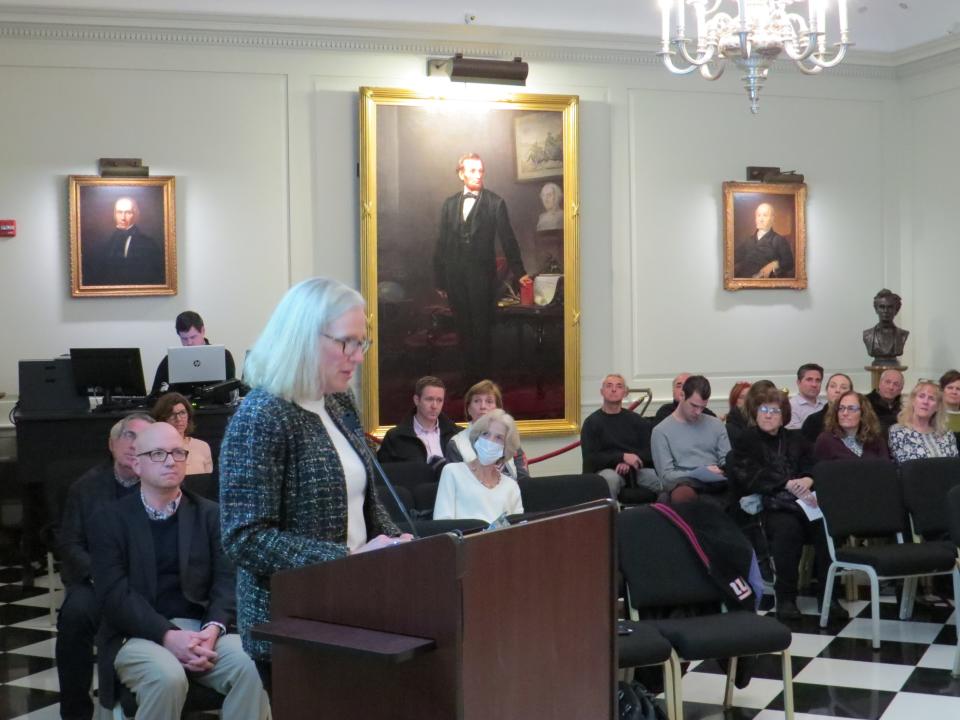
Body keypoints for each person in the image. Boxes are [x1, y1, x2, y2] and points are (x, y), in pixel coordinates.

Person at [219, 277, 410, 675]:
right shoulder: (261, 416)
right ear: (303, 338)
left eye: (362, 342)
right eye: (346, 342)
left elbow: (363, 501)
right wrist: (347, 560)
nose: (357, 356)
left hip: (358, 607)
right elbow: (244, 538)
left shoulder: (339, 400)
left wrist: (398, 545)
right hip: (294, 624)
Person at [89, 422, 271, 719]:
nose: (171, 460)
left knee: (253, 663)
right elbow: (115, 596)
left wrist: (212, 631)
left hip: (202, 631)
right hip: (138, 633)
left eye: (177, 452)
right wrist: (168, 635)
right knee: (167, 677)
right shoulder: (109, 520)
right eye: (158, 453)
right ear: (137, 463)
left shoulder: (210, 514)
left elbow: (228, 582)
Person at [55, 413, 154, 720]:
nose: (135, 446)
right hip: (96, 581)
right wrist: (102, 575)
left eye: (144, 439)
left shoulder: (160, 483)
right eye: (129, 436)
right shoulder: (85, 488)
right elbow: (69, 543)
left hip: (148, 582)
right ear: (112, 444)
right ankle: (75, 712)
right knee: (74, 616)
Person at [725, 384, 845, 622]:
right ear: (755, 413)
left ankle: (829, 595)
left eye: (774, 411)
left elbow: (813, 465)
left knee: (828, 528)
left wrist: (808, 479)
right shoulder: (746, 439)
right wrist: (786, 483)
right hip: (767, 504)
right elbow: (748, 475)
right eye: (763, 410)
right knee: (787, 529)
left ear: (783, 416)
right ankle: (786, 596)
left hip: (802, 502)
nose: (768, 415)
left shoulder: (795, 438)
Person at [433, 153, 532, 382]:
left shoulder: (495, 203)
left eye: (480, 170)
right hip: (454, 277)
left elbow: (508, 239)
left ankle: (484, 385)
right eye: (472, 171)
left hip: (482, 278)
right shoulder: (449, 204)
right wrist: (439, 279)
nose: (478, 175)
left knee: (481, 331)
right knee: (464, 331)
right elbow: (441, 242)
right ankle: (468, 382)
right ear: (461, 174)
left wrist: (520, 273)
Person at [580, 373, 665, 500]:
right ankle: (610, 519)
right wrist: (622, 457)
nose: (613, 389)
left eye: (619, 386)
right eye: (609, 386)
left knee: (663, 481)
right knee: (610, 480)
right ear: (602, 391)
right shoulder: (591, 422)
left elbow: (650, 452)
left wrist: (632, 462)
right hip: (606, 471)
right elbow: (590, 458)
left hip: (636, 470)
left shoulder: (637, 421)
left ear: (625, 392)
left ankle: (662, 517)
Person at [650, 375, 731, 504]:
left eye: (702, 407)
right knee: (682, 493)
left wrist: (724, 469)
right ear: (682, 396)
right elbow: (666, 478)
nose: (698, 412)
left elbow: (727, 461)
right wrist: (697, 473)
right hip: (685, 484)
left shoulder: (716, 424)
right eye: (694, 406)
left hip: (717, 483)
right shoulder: (661, 431)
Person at [433, 409, 524, 522]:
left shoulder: (511, 486)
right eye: (485, 434)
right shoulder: (452, 472)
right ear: (477, 437)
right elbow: (442, 522)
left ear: (506, 447)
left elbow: (519, 528)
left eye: (498, 438)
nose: (490, 441)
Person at [444, 379, 530, 480]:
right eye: (477, 401)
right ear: (468, 409)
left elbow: (524, 481)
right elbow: (458, 484)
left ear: (498, 408)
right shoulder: (456, 444)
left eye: (489, 401)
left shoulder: (509, 438)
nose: (483, 407)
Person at [377, 376, 460, 469]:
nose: (434, 406)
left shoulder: (457, 435)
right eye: (429, 399)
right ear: (416, 400)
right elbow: (386, 476)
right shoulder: (395, 437)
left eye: (439, 400)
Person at [149, 310, 237, 397]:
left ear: (202, 331)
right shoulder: (170, 360)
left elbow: (231, 390)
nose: (189, 342)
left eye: (193, 337)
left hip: (217, 408)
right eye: (184, 338)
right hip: (182, 409)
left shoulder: (223, 356)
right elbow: (155, 394)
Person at [83, 196, 165, 286]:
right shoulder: (105, 241)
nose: (123, 217)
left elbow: (153, 276)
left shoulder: (148, 243)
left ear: (136, 214)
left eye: (128, 212)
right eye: (119, 212)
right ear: (114, 214)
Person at [888, 380, 959, 462]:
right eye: (921, 396)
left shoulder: (946, 434)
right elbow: (904, 467)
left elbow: (954, 466)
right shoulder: (898, 431)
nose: (925, 402)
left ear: (938, 407)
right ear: (913, 401)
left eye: (931, 398)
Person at [813, 391, 890, 461]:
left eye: (851, 408)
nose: (845, 413)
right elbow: (819, 471)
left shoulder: (876, 439)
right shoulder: (825, 440)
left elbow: (885, 470)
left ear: (863, 413)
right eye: (841, 408)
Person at [151, 392, 213, 475]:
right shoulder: (154, 449)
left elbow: (209, 483)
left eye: (182, 413)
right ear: (162, 418)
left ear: (188, 415)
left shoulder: (202, 446)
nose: (178, 419)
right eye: (172, 414)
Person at [733, 202, 795, 279]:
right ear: (755, 219)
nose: (761, 219)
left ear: (772, 218)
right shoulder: (749, 240)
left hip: (764, 283)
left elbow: (789, 263)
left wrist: (775, 264)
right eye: (758, 215)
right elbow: (733, 257)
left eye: (765, 215)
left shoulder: (778, 240)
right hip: (743, 281)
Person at [801, 373, 853, 442]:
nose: (837, 390)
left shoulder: (858, 418)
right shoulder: (813, 421)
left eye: (843, 387)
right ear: (826, 390)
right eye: (833, 386)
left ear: (851, 393)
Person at [862, 289, 909, 364]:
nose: (886, 311)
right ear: (876, 309)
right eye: (882, 307)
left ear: (896, 310)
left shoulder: (902, 335)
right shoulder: (868, 335)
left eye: (890, 307)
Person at [786, 363, 824, 429]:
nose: (814, 385)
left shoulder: (826, 405)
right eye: (809, 380)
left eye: (818, 380)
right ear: (798, 382)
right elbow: (797, 436)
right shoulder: (790, 407)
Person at [867, 368, 904, 433]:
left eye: (896, 384)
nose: (891, 387)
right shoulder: (865, 403)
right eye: (887, 382)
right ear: (879, 383)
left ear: (900, 389)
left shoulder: (902, 409)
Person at [724, 380, 752, 448]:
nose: (746, 401)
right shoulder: (729, 428)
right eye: (742, 397)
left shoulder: (759, 420)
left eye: (749, 397)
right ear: (734, 400)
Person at [939, 369, 960, 435]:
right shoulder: (932, 415)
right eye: (950, 388)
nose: (954, 392)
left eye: (958, 389)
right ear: (942, 390)